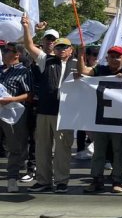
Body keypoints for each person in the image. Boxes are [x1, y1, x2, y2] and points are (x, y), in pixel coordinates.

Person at [22, 16, 78, 194]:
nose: (60, 49)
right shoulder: (45, 60)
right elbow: (29, 46)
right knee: (42, 148)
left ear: (71, 50)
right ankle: (43, 180)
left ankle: (61, 181)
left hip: (65, 113)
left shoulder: (76, 65)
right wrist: (27, 28)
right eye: (58, 46)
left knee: (62, 150)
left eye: (64, 47)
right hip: (45, 111)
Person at [77, 45, 122, 194]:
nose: (114, 59)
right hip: (101, 118)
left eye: (118, 56)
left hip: (120, 119)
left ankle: (117, 180)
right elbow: (83, 71)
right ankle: (97, 180)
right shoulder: (100, 70)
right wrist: (81, 55)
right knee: (99, 150)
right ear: (107, 58)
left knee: (118, 150)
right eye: (112, 56)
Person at [0, 43, 32, 193]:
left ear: (17, 54)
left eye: (6, 50)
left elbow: (29, 94)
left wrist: (11, 100)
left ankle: (12, 178)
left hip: (13, 114)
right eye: (3, 50)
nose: (3, 53)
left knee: (15, 147)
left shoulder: (24, 72)